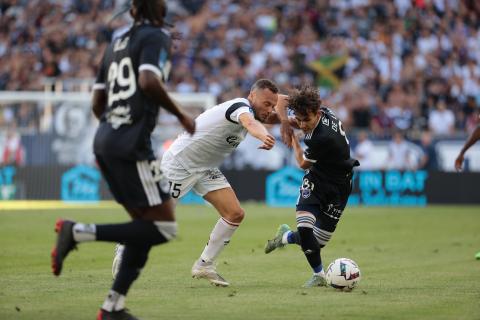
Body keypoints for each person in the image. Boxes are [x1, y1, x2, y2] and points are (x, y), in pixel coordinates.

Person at [50, 1, 196, 320]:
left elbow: (97, 101)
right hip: (130, 146)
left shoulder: (115, 42)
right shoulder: (155, 36)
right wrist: (181, 115)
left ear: (131, 11)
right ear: (159, 9)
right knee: (163, 227)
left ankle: (112, 306)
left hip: (105, 141)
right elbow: (147, 81)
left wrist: (113, 127)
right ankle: (76, 232)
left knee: (143, 226)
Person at [113, 79, 279, 287]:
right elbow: (250, 123)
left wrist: (295, 116)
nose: (270, 109)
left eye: (273, 105)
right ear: (252, 96)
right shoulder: (239, 107)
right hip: (180, 163)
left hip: (205, 167)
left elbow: (274, 110)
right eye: (266, 104)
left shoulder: (257, 109)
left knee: (235, 213)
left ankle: (204, 265)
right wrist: (264, 135)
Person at [264, 85, 359, 287]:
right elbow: (281, 100)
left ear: (317, 113)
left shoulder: (323, 138)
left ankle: (285, 237)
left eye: (306, 120)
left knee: (317, 243)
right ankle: (319, 275)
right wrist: (284, 122)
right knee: (306, 231)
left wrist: (294, 139)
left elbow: (302, 163)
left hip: (339, 185)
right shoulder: (319, 110)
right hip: (316, 180)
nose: (302, 124)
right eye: (298, 119)